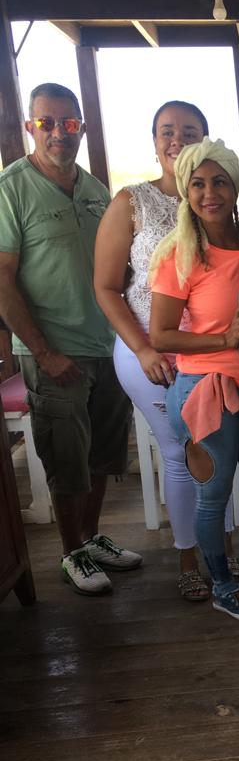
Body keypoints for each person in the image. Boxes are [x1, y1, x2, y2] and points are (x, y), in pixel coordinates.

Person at [94, 100, 239, 604]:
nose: (175, 138)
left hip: (217, 355)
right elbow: (107, 287)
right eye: (166, 130)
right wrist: (143, 349)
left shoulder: (216, 197)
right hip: (151, 354)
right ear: (154, 140)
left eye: (188, 130)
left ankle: (219, 547)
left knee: (220, 453)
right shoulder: (131, 202)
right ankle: (187, 557)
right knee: (181, 453)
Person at [0, 82, 141, 596]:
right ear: (30, 126)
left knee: (102, 452)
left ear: (83, 126)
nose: (59, 132)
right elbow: (2, 280)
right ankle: (70, 553)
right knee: (64, 455)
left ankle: (91, 537)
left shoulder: (97, 189)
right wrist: (43, 351)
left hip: (107, 344)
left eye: (70, 123)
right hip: (53, 350)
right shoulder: (12, 188)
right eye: (47, 123)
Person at [149, 137, 239, 622]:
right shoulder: (180, 255)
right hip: (206, 390)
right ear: (187, 191)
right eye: (199, 183)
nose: (210, 193)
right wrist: (224, 338)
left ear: (235, 187)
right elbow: (162, 334)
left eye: (220, 182)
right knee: (215, 492)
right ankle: (222, 583)